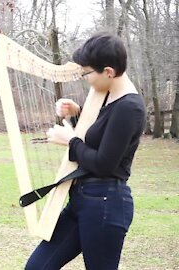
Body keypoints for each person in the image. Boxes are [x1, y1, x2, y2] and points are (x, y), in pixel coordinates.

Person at [25, 32, 146, 270]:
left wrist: (70, 141)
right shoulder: (109, 99)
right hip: (81, 201)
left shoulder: (129, 107)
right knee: (37, 267)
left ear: (109, 72)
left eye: (87, 73)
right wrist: (77, 111)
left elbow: (103, 163)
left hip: (105, 204)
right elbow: (104, 134)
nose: (85, 78)